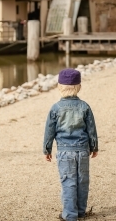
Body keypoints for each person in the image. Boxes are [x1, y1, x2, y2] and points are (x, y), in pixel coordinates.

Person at [43, 68, 99, 221]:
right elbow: (91, 129)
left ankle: (70, 214)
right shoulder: (85, 106)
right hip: (82, 150)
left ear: (59, 87)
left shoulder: (55, 108)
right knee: (82, 181)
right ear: (78, 86)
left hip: (65, 152)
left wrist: (46, 149)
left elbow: (49, 131)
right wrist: (94, 147)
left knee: (68, 182)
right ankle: (80, 211)